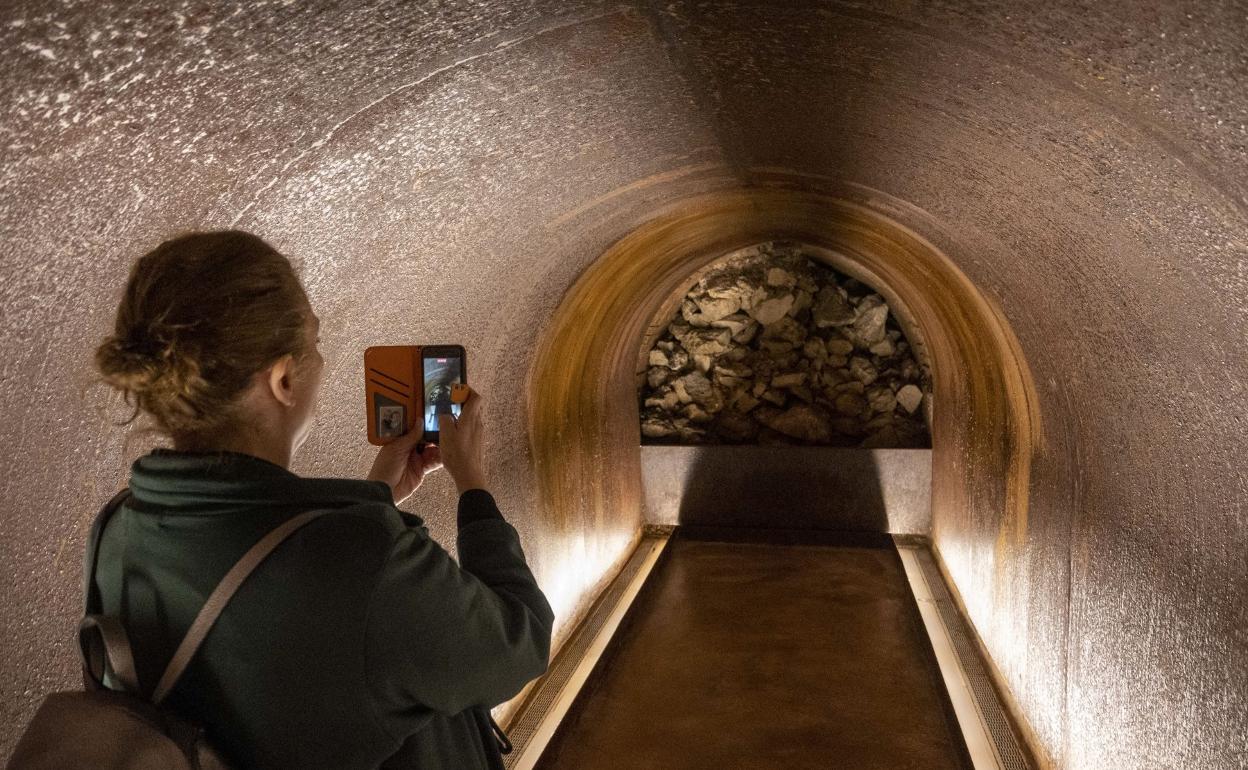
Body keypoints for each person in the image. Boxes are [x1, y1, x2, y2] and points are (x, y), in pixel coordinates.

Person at [90, 230, 554, 769]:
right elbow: (518, 644)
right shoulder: (364, 557)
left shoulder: (116, 528)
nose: (320, 359)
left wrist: (376, 497)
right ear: (284, 379)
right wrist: (474, 487)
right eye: (313, 341)